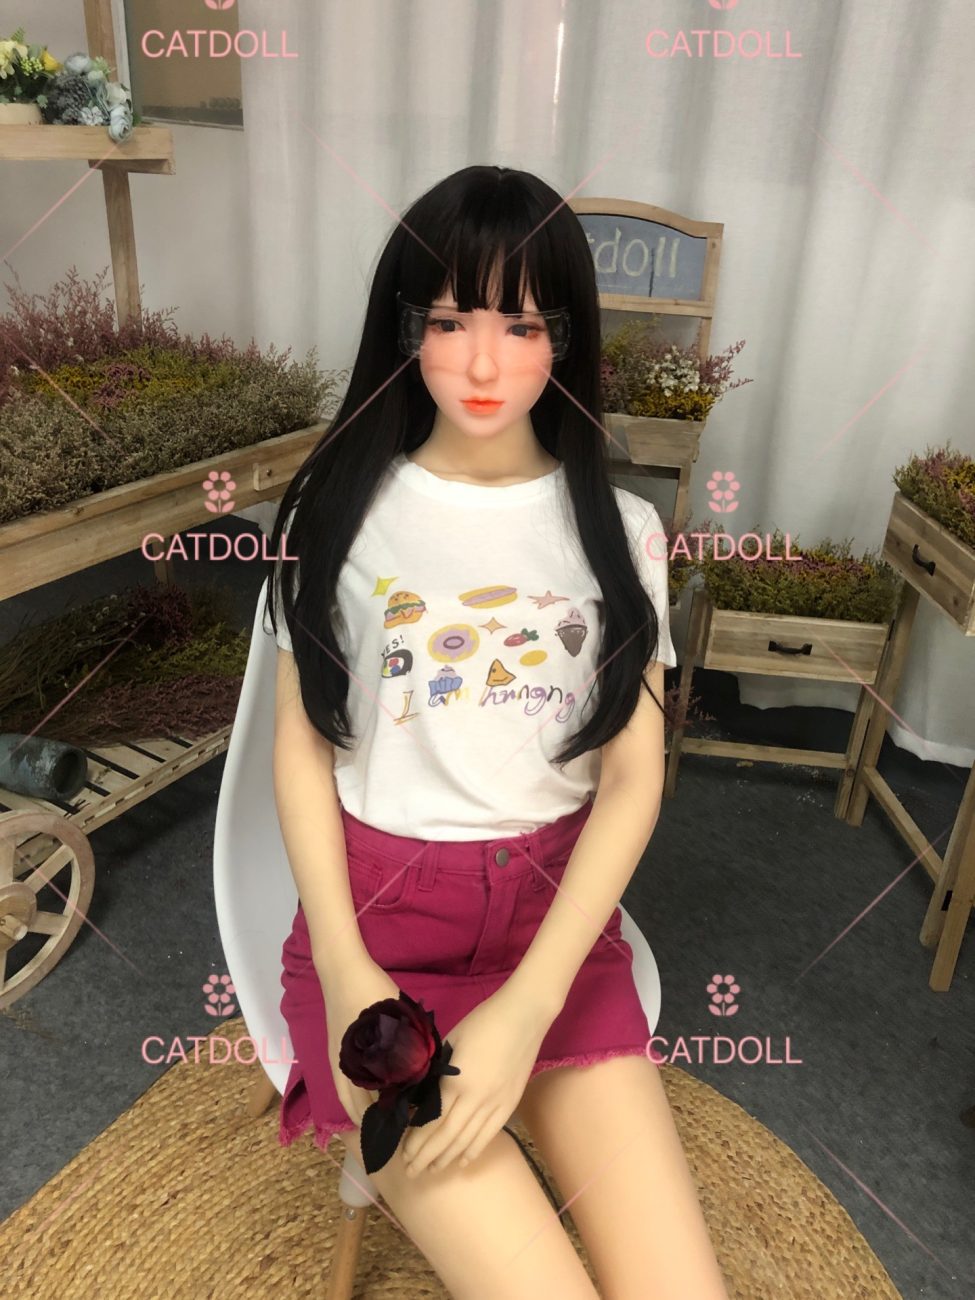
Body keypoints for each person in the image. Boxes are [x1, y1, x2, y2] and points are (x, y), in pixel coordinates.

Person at [265, 164, 729, 1300]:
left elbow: (632, 780)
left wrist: (528, 1007)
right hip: (379, 937)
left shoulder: (622, 530)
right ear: (405, 330)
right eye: (449, 321)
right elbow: (301, 748)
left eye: (521, 325)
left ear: (564, 338)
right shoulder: (336, 511)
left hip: (553, 933)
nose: (483, 364)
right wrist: (347, 969)